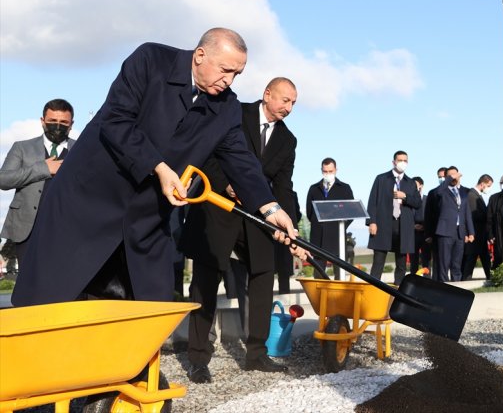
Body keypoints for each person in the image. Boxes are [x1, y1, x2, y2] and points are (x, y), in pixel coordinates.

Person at [12, 29, 301, 311]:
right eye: (225, 69)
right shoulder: (151, 60)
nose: (229, 80)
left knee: (152, 307)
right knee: (50, 300)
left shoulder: (226, 109)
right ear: (200, 55)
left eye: (237, 74)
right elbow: (117, 119)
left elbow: (241, 160)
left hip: (146, 218)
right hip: (88, 203)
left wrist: (271, 208)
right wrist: (159, 167)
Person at [181, 76, 299, 381]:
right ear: (267, 94)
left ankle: (257, 354)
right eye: (285, 100)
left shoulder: (288, 140)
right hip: (218, 208)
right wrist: (228, 184)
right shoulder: (235, 114)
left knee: (262, 277)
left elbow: (283, 186)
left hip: (256, 217)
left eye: (293, 103)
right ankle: (198, 357)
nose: (289, 107)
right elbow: (208, 154)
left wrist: (287, 222)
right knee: (205, 282)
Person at [0, 99, 76, 267]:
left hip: (68, 229)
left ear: (71, 124)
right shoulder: (21, 148)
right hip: (27, 229)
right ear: (43, 121)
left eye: (63, 122)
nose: (58, 126)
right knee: (29, 283)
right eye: (52, 121)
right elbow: (3, 179)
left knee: (63, 281)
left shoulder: (80, 150)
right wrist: (43, 169)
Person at [366, 151, 421, 283]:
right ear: (394, 162)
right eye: (400, 160)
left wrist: (405, 196)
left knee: (401, 264)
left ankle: (399, 290)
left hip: (403, 226)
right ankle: (374, 288)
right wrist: (371, 222)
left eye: (405, 160)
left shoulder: (411, 183)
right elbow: (372, 202)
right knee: (378, 261)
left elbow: (418, 203)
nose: (402, 162)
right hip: (383, 223)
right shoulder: (381, 179)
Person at [306, 157, 354, 277]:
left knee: (340, 275)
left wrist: (339, 226)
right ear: (321, 170)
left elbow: (351, 212)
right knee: (318, 275)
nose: (328, 174)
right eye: (325, 171)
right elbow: (310, 212)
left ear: (336, 170)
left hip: (337, 238)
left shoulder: (344, 188)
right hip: (319, 239)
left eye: (330, 171)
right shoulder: (314, 189)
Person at [431, 167, 474, 282]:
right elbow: (437, 192)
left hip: (460, 232)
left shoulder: (462, 193)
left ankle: (457, 285)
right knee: (444, 263)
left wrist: (471, 232)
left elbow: (467, 212)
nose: (454, 177)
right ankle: (444, 286)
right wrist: (449, 179)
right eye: (451, 175)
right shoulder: (442, 191)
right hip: (445, 231)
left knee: (457, 263)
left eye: (456, 174)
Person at [461, 174, 493, 280]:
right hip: (475, 234)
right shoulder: (472, 195)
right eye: (489, 185)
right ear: (483, 183)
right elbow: (474, 215)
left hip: (480, 235)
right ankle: (465, 280)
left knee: (485, 259)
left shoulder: (477, 195)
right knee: (471, 259)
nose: (489, 188)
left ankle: (490, 277)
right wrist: (488, 213)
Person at [408, 176, 430, 274]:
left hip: (425, 234)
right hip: (412, 234)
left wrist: (425, 227)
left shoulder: (428, 199)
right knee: (413, 261)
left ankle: (428, 282)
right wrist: (412, 226)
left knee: (426, 261)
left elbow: (432, 216)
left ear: (421, 186)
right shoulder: (408, 200)